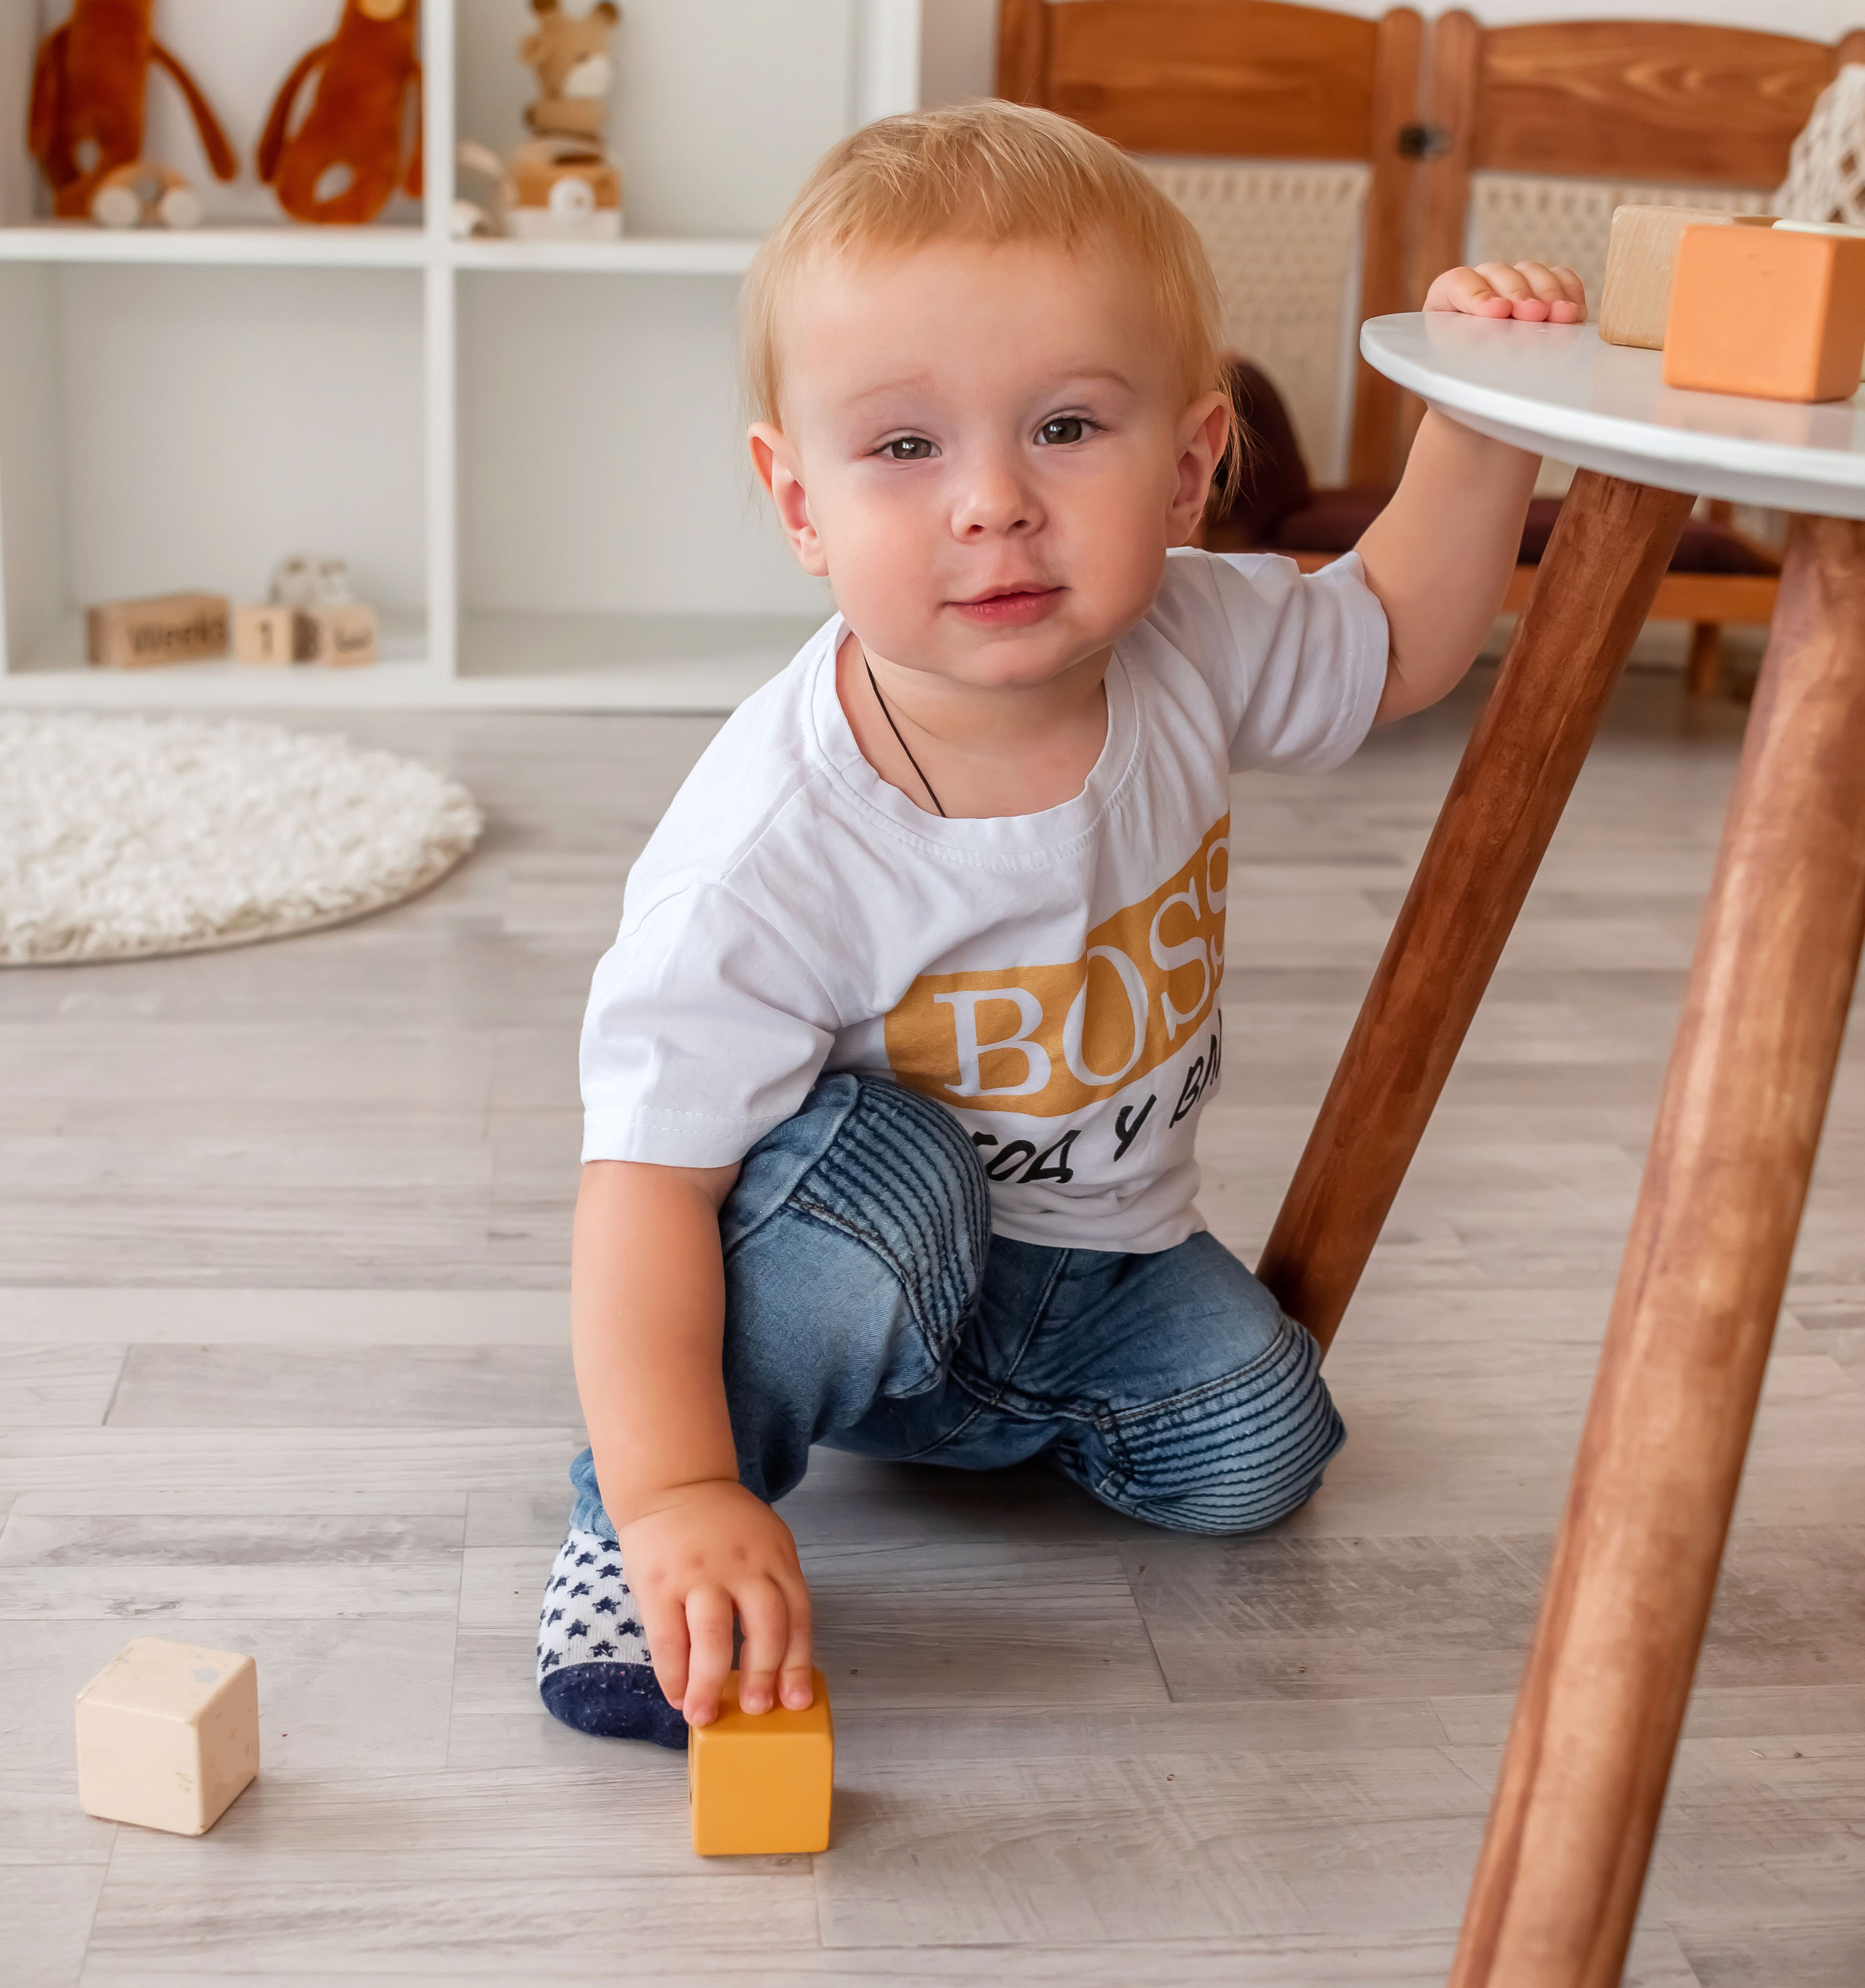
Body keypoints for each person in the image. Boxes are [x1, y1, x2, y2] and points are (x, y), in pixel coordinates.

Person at [537, 99, 1583, 1747]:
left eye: (1066, 430)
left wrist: (1478, 413)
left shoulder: (1194, 639)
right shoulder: (769, 847)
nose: (992, 505)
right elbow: (644, 1183)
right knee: (888, 1183)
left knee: (1264, 1453)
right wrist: (674, 1488)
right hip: (848, 1234)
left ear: (1188, 467)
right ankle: (637, 1517)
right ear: (797, 501)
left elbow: (1390, 640)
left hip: (1089, 1262)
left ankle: (973, 1411)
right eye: (902, 449)